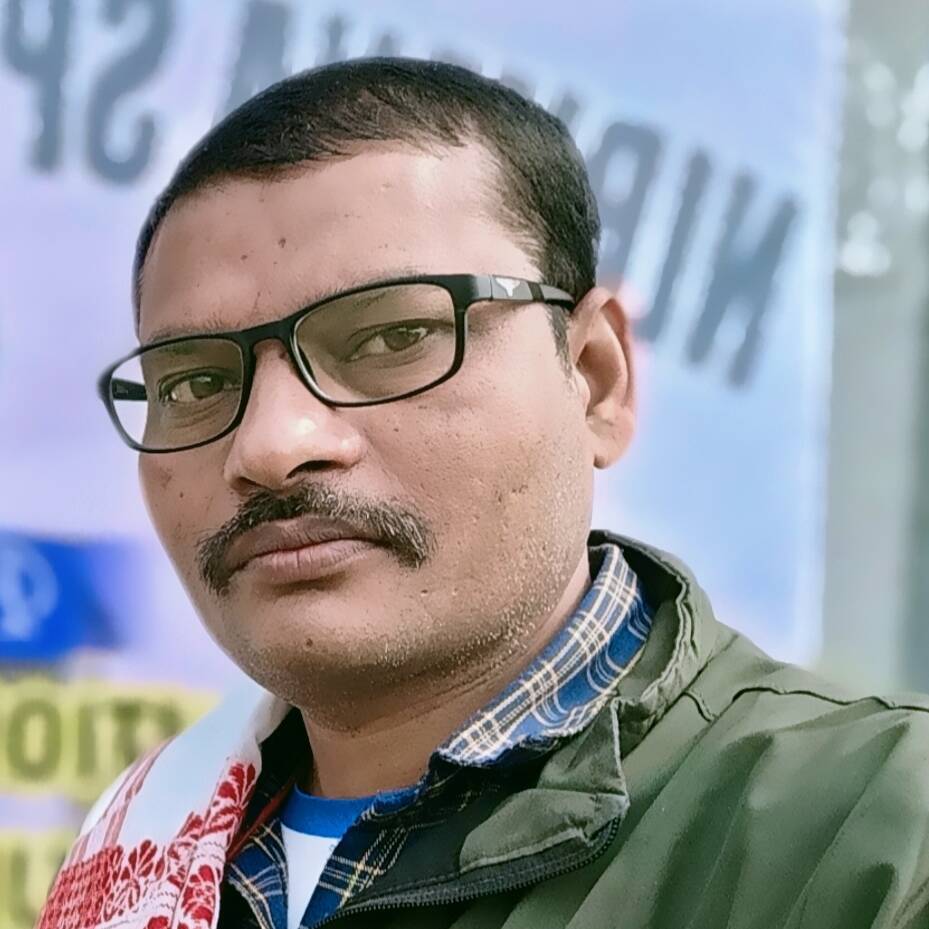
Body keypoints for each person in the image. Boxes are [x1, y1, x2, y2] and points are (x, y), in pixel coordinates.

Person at [40, 57, 929, 929]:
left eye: (390, 338)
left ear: (595, 377)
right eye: (196, 384)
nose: (271, 445)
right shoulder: (139, 850)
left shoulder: (873, 832)